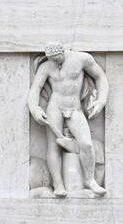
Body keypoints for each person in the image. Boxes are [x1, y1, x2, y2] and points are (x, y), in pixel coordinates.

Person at [28, 42, 109, 197]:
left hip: (74, 108)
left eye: (57, 59)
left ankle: (90, 180)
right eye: (51, 59)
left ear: (63, 52)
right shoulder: (46, 66)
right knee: (53, 146)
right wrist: (35, 109)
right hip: (55, 107)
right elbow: (35, 89)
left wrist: (101, 100)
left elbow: (100, 77)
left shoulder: (81, 59)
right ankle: (58, 185)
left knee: (86, 144)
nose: (55, 62)